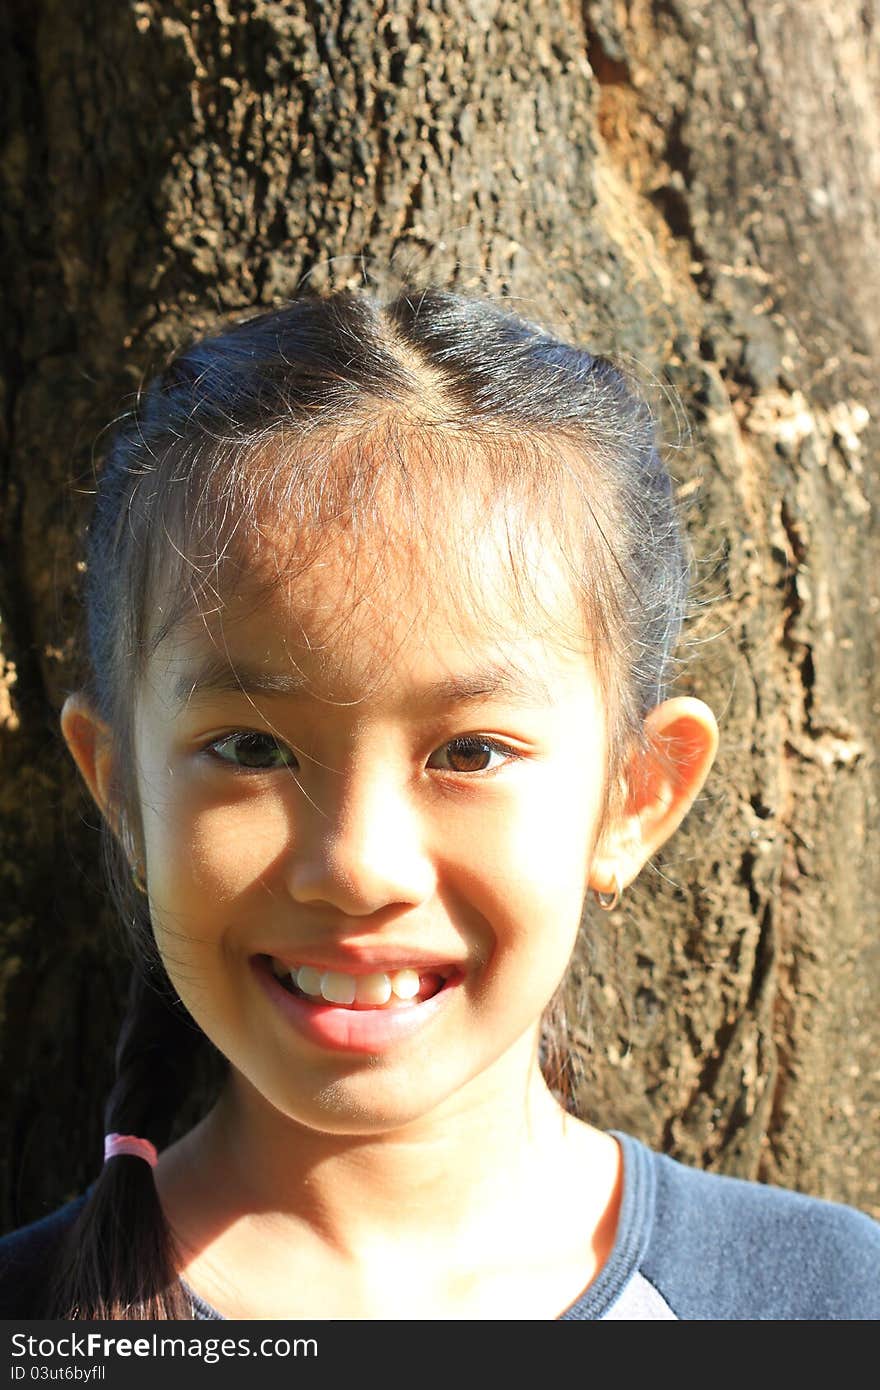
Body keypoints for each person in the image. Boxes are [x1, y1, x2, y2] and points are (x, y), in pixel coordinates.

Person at [1, 287, 877, 1321]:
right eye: (250, 748)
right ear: (123, 791)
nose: (359, 866)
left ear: (633, 796)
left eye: (469, 750)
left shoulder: (821, 1300)